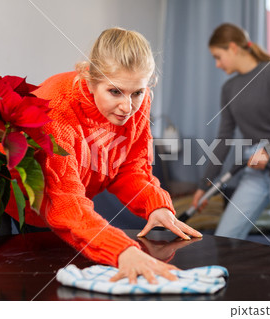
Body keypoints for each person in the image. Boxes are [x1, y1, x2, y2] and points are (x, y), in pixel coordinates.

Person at [13, 27, 202, 284]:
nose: (127, 107)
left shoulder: (139, 102)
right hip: (18, 207)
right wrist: (122, 250)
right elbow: (64, 200)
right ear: (90, 79)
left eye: (137, 92)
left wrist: (154, 204)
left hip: (71, 212)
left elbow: (130, 167)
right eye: (115, 92)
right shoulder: (55, 109)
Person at [192, 23, 270, 249]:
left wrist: (268, 151)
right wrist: (205, 186)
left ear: (232, 48)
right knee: (226, 236)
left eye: (218, 57)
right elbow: (224, 138)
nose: (217, 64)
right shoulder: (229, 88)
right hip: (254, 163)